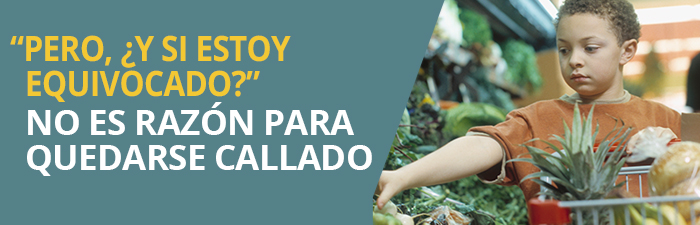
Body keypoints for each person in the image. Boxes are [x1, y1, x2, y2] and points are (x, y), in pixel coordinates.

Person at [375, 0, 681, 209]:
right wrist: (402, 176)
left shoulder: (667, 121)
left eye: (590, 48)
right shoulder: (539, 118)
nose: (574, 59)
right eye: (563, 50)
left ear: (626, 51)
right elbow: (483, 145)